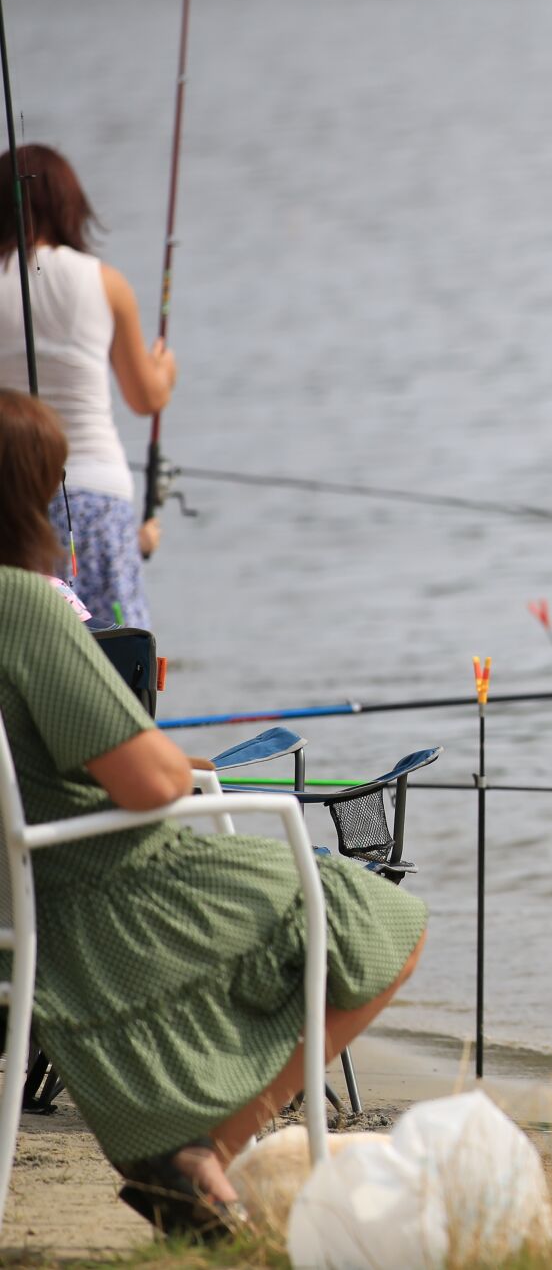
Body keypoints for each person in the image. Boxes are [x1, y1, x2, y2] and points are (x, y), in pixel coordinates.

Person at [0, 390, 427, 1234]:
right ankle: (203, 1152)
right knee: (382, 918)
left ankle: (190, 1147)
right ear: (34, 495)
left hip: (25, 885)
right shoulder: (28, 604)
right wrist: (168, 754)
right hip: (100, 882)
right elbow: (149, 784)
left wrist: (152, 750)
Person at [0, 144, 178, 629]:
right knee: (117, 649)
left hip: (11, 495)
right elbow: (146, 397)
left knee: (25, 642)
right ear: (68, 206)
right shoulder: (105, 282)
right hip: (96, 490)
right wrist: (165, 370)